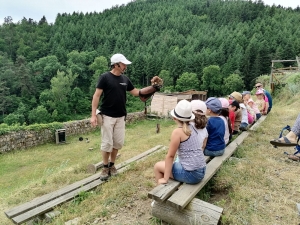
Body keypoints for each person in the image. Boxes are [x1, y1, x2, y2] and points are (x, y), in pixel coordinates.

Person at [91, 53, 162, 180]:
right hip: (107, 116)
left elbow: (136, 93)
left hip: (120, 116)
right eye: (123, 64)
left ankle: (112, 165)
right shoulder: (105, 77)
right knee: (107, 143)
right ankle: (105, 168)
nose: (125, 66)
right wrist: (93, 115)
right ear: (116, 64)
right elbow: (96, 96)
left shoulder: (125, 79)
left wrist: (153, 88)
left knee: (117, 143)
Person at [154, 100, 206, 185]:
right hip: (202, 170)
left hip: (192, 175)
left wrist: (165, 178)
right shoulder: (193, 127)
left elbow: (170, 156)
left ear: (174, 118)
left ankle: (160, 191)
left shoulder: (177, 132)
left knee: (157, 166)